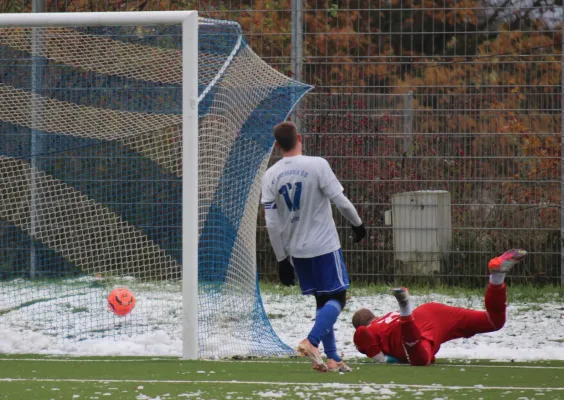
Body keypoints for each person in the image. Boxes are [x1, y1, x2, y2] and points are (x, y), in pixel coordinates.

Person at [261, 121, 367, 372]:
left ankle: (332, 358)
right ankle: (311, 341)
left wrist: (281, 258)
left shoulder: (270, 175)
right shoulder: (317, 164)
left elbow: (271, 221)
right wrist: (357, 223)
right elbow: (340, 200)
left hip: (296, 250)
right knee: (338, 297)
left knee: (322, 301)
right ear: (299, 137)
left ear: (277, 145)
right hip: (324, 246)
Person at [352, 249, 527, 366]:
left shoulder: (372, 329)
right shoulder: (387, 317)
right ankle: (497, 275)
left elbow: (361, 333)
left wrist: (384, 360)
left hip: (412, 330)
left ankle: (405, 306)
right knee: (493, 321)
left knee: (420, 360)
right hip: (431, 311)